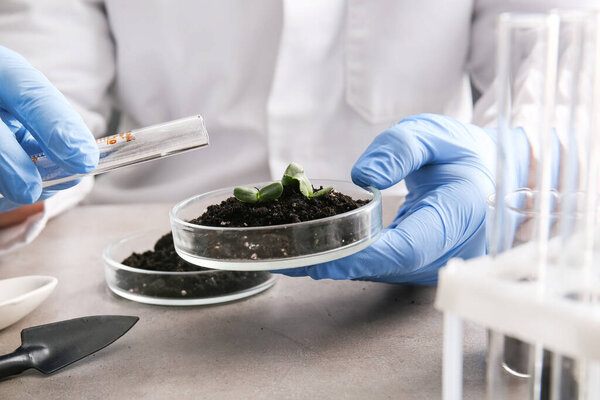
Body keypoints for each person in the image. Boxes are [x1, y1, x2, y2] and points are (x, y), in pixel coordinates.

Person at [0, 1, 592, 281]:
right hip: (148, 265)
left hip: (413, 231)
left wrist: (515, 161)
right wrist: (18, 165)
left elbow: (565, 47)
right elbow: (47, 78)